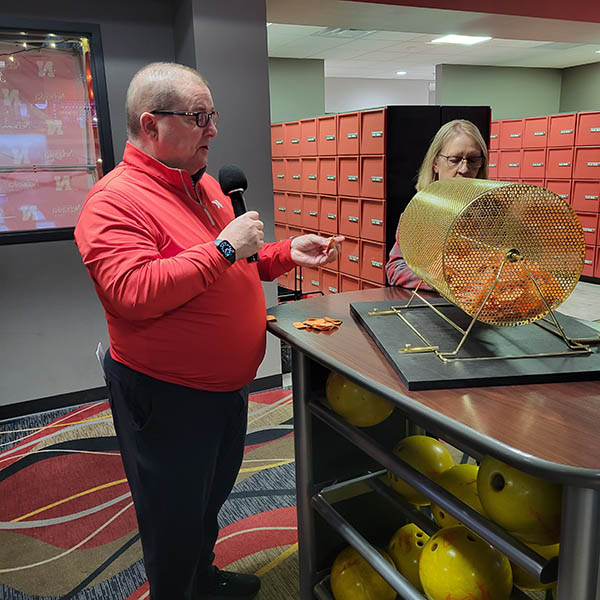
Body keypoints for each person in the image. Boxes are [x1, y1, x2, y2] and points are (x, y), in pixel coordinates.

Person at [74, 62, 343, 600]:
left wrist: (286, 252)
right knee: (172, 516)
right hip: (167, 395)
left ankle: (203, 578)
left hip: (225, 390)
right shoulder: (113, 201)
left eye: (212, 115)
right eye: (199, 118)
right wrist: (224, 247)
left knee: (209, 497)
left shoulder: (206, 186)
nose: (213, 130)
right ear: (151, 124)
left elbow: (238, 262)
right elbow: (133, 291)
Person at [386, 119, 489, 287]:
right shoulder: (419, 214)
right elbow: (396, 269)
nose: (464, 169)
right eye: (454, 159)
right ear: (435, 164)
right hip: (434, 300)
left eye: (472, 160)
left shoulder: (496, 213)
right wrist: (445, 283)